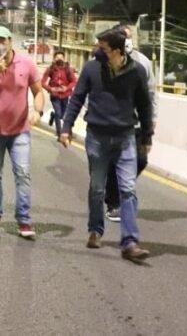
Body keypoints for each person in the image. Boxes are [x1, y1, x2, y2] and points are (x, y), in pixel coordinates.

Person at [61, 27, 154, 261]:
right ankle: (95, 230)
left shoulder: (137, 71)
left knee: (128, 189)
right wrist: (66, 127)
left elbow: (145, 106)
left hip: (125, 138)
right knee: (98, 188)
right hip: (97, 138)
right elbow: (77, 97)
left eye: (103, 47)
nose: (98, 51)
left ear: (116, 50)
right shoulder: (92, 68)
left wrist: (147, 137)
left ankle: (130, 242)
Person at [0, 26, 45, 237]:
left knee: (23, 174)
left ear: (10, 41)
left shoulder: (26, 63)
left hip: (20, 131)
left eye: (2, 40)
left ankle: (24, 220)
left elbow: (38, 92)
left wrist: (38, 110)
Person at [104, 22, 158, 223]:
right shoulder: (104, 62)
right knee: (110, 163)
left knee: (141, 160)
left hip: (135, 124)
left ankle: (121, 190)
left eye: (129, 36)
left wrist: (151, 120)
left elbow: (151, 94)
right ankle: (114, 201)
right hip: (110, 124)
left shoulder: (142, 63)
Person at [42, 50, 77, 140]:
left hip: (65, 96)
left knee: (62, 115)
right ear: (54, 59)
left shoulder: (68, 69)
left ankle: (53, 115)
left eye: (61, 57)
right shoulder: (50, 69)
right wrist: (50, 89)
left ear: (64, 59)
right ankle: (59, 133)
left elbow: (74, 81)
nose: (59, 59)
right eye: (57, 57)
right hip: (55, 96)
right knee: (58, 113)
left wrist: (67, 88)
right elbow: (42, 82)